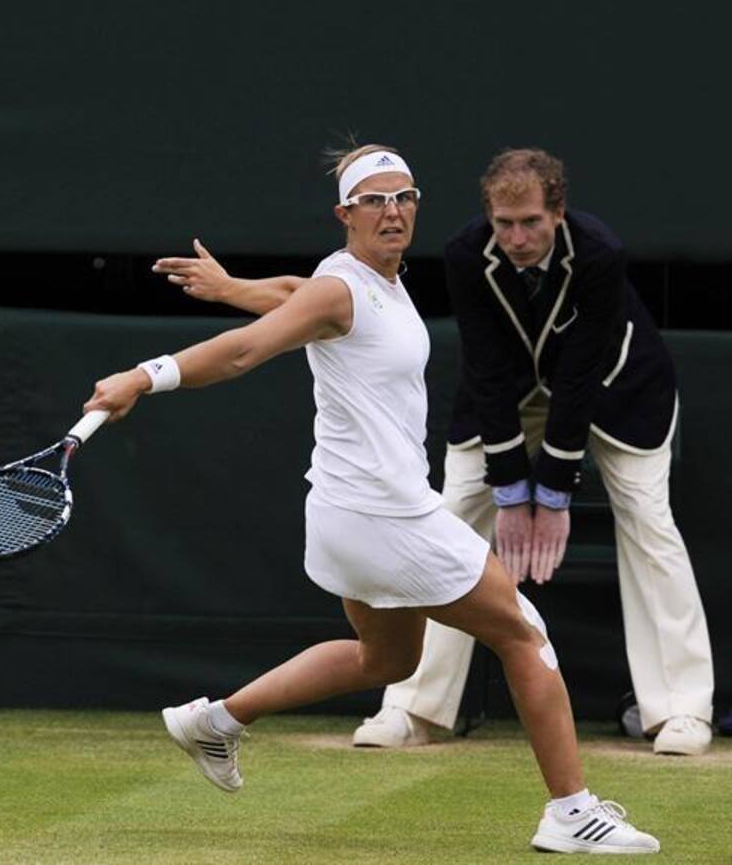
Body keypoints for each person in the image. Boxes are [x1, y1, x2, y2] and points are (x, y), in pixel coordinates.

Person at [87, 144, 659, 854]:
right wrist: (144, 375)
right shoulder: (343, 288)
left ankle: (217, 720)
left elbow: (297, 292)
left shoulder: (366, 281)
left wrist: (234, 284)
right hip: (385, 514)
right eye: (374, 200)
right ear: (345, 214)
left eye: (404, 197)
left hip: (344, 515)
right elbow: (243, 351)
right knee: (523, 631)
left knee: (384, 660)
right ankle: (571, 810)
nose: (392, 211)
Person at [156, 148, 714, 759]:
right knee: (457, 524)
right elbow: (480, 366)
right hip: (491, 403)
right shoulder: (456, 256)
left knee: (648, 521)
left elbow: (579, 377)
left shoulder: (599, 252)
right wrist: (509, 487)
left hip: (616, 394)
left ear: (559, 213)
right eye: (504, 224)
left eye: (531, 222)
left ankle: (680, 709)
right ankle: (414, 707)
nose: (518, 238)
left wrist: (550, 493)